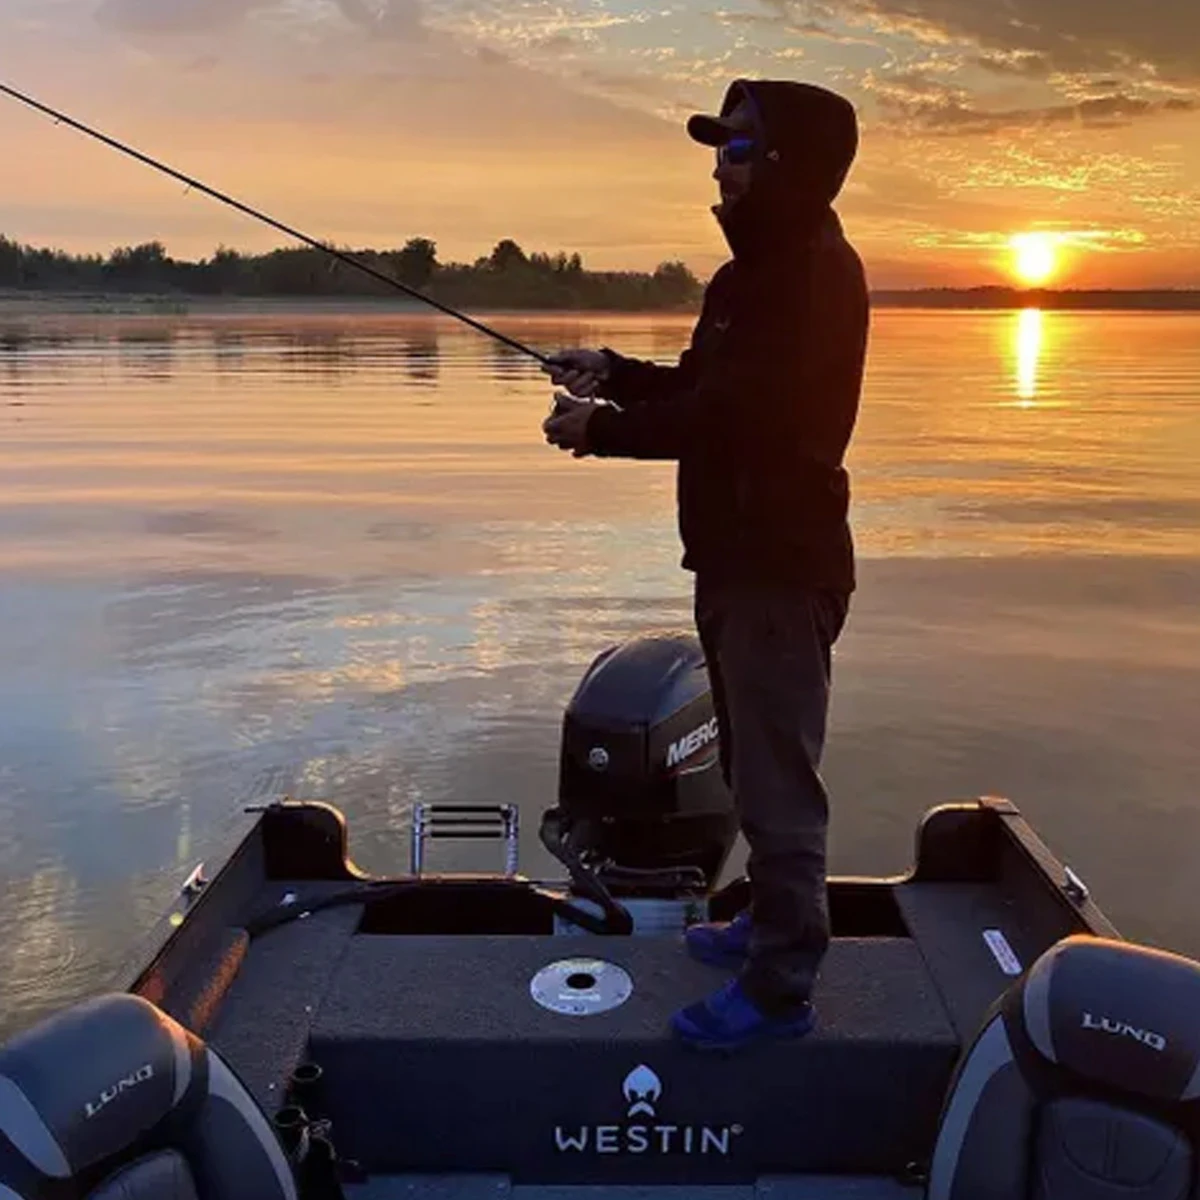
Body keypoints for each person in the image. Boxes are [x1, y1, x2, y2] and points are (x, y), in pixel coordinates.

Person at [541, 78, 869, 1051]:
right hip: (732, 562)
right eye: (717, 148)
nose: (718, 168)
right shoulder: (746, 277)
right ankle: (764, 921)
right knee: (743, 765)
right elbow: (699, 386)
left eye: (736, 148)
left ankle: (780, 988)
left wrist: (603, 431)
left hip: (781, 569)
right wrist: (615, 374)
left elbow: (735, 421)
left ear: (786, 164)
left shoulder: (810, 276)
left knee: (777, 788)